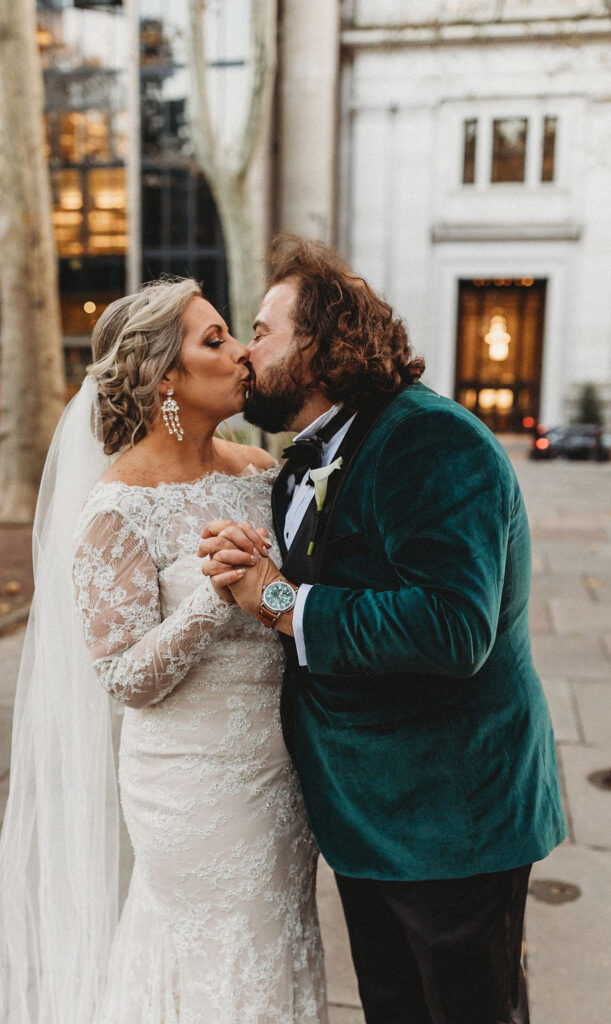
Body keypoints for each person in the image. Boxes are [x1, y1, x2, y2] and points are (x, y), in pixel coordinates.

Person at [201, 235, 567, 1024]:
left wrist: (278, 603)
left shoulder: (431, 441)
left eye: (262, 330)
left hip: (451, 820)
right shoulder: (303, 459)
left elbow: (448, 626)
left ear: (321, 348)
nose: (245, 348)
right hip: (366, 818)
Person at [0, 278, 327, 1024]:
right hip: (192, 788)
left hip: (280, 775)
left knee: (277, 944)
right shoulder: (117, 508)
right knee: (215, 960)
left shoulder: (259, 472)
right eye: (214, 341)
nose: (242, 353)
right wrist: (215, 599)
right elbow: (123, 677)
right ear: (164, 377)